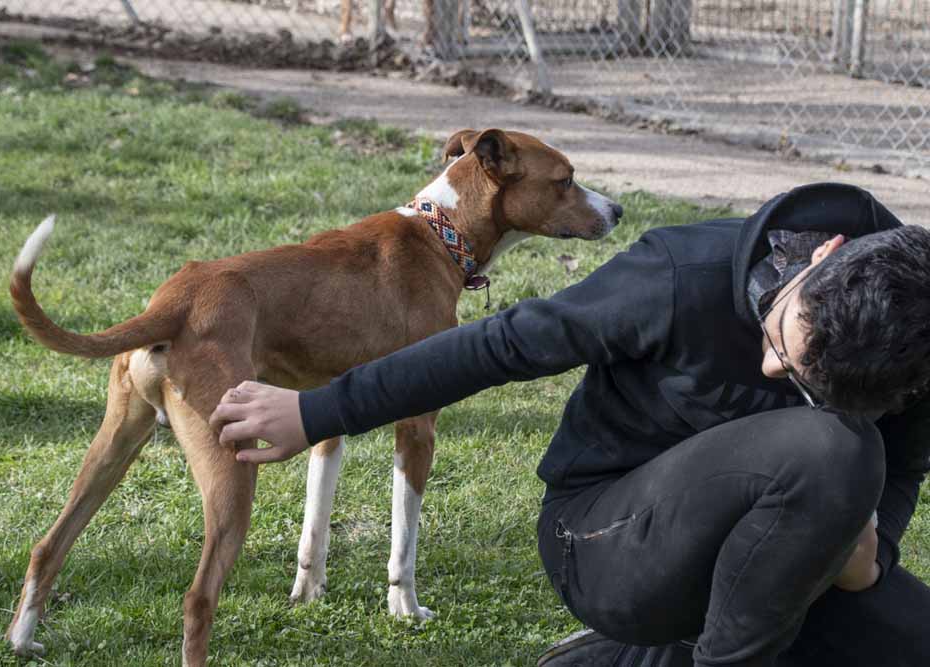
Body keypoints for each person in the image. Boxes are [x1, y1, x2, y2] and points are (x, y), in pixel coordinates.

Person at [209, 183, 930, 667]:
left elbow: (900, 466)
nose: (772, 368)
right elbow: (501, 346)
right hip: (607, 538)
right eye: (780, 338)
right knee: (833, 449)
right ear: (825, 254)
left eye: (803, 377)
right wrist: (316, 410)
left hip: (778, 559)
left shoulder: (918, 337)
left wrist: (875, 554)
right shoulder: (679, 274)